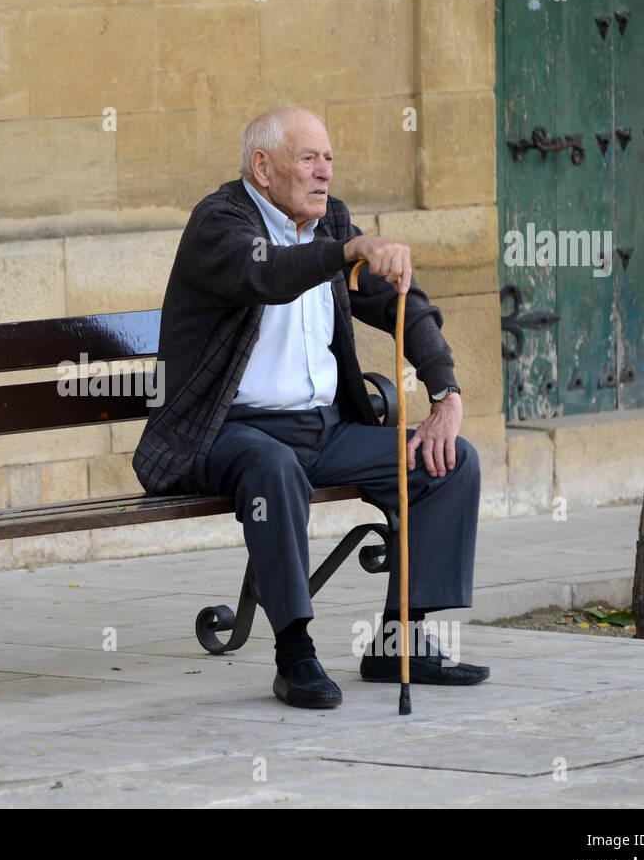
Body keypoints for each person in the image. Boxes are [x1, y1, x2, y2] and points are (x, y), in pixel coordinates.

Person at [133, 106, 489, 709]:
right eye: (308, 158)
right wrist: (346, 248)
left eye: (328, 159)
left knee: (449, 462)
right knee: (274, 469)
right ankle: (295, 655)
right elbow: (267, 274)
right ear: (262, 167)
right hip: (222, 433)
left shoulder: (331, 223)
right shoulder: (219, 222)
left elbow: (403, 303)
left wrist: (445, 393)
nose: (323, 173)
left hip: (324, 430)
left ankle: (400, 643)